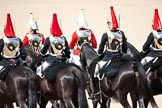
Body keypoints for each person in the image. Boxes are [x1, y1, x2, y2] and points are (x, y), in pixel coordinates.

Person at [36, 13, 70, 78]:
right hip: (63, 59)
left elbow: (44, 50)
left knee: (41, 70)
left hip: (51, 60)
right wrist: (67, 56)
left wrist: (41, 53)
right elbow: (67, 50)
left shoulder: (49, 39)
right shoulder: (63, 38)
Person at [0, 13, 27, 80]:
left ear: (4, 31)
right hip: (17, 62)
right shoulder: (18, 40)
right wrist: (18, 60)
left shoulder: (2, 41)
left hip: (5, 62)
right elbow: (24, 54)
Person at [141, 9, 162, 73]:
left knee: (142, 63)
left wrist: (144, 50)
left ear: (153, 25)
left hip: (154, 55)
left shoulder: (153, 34)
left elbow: (145, 46)